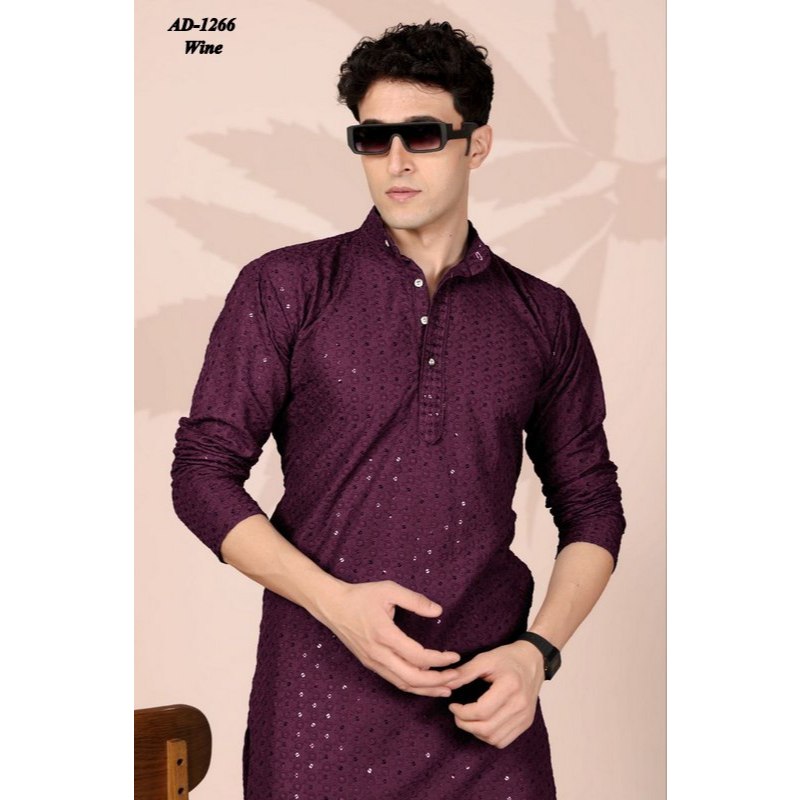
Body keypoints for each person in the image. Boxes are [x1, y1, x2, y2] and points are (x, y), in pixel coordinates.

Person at [171, 20, 626, 800]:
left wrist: (537, 653)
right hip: (317, 703)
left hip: (483, 710)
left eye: (422, 135)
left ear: (477, 144)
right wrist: (336, 605)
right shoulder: (287, 288)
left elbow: (593, 507)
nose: (396, 161)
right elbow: (202, 476)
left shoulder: (541, 316)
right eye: (373, 139)